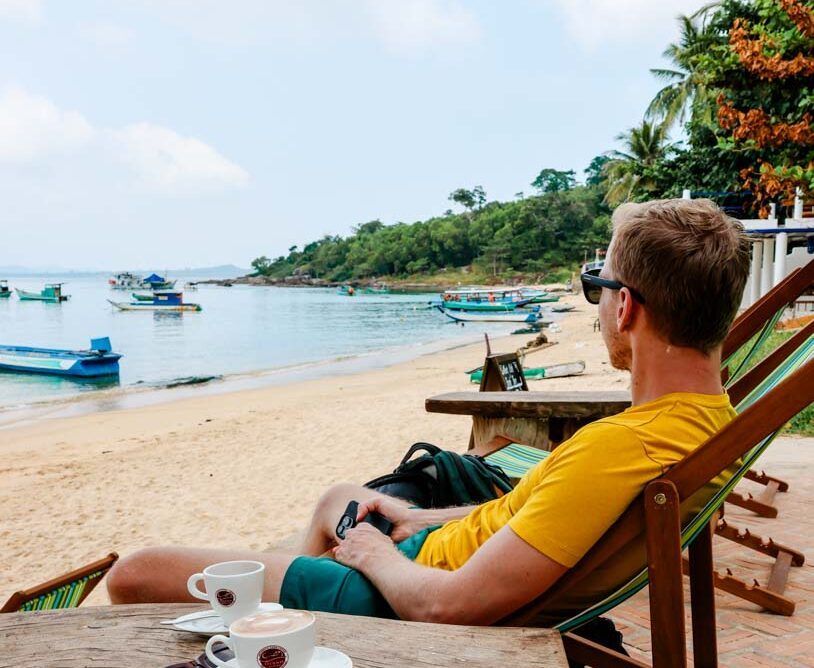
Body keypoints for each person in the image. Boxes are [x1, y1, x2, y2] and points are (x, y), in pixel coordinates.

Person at [107, 198, 750, 626]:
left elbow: (448, 608)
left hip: (408, 596)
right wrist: (416, 515)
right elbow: (534, 519)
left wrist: (375, 558)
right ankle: (297, 613)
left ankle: (307, 618)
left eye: (596, 288)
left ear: (627, 307)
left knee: (135, 574)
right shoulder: (711, 426)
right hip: (426, 552)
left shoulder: (618, 447)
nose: (596, 306)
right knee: (341, 496)